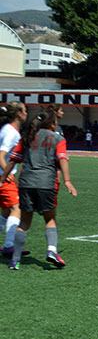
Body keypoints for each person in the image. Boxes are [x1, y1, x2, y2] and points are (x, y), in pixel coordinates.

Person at [1, 108, 78, 270]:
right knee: (50, 218)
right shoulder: (57, 138)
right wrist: (68, 181)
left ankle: (15, 260)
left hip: (26, 182)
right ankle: (51, 250)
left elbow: (13, 160)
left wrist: (2, 179)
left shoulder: (27, 137)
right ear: (52, 123)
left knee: (24, 221)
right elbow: (62, 158)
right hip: (46, 183)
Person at [0, 102, 30, 258]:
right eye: (25, 110)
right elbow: (1, 155)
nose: (27, 113)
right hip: (3, 176)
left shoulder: (7, 130)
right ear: (19, 113)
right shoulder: (11, 133)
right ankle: (9, 246)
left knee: (6, 211)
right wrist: (7, 173)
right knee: (16, 209)